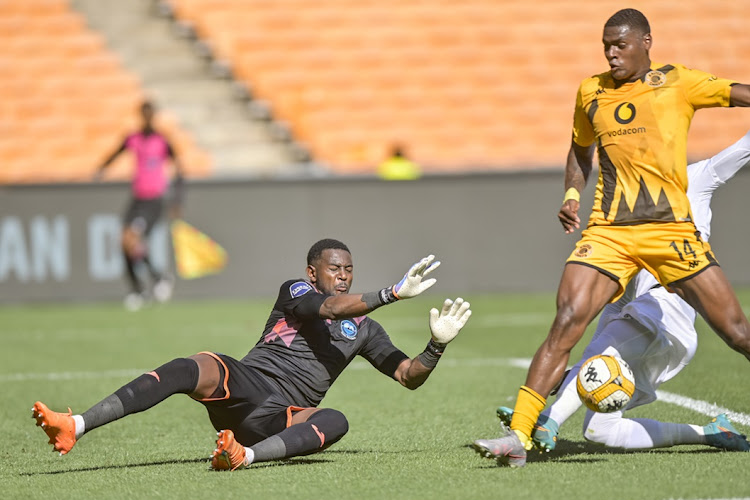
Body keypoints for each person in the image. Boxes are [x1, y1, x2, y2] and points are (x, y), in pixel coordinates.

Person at [472, 8, 750, 467]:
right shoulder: (591, 91)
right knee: (566, 319)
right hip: (609, 233)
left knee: (737, 332)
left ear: (646, 42)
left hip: (670, 231)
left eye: (620, 44)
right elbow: (580, 150)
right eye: (606, 45)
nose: (611, 52)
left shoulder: (678, 81)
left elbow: (738, 93)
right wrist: (571, 194)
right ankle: (521, 433)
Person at [32, 239, 472, 471]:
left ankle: (243, 456)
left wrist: (437, 345)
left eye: (348, 270)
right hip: (246, 386)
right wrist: (392, 292)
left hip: (279, 418)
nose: (342, 276)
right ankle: (77, 424)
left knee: (336, 420)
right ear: (312, 272)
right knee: (195, 364)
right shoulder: (296, 291)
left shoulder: (367, 330)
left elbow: (408, 375)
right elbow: (332, 307)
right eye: (334, 268)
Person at [483, 131, 750, 458]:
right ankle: (712, 433)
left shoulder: (696, 177)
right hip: (637, 313)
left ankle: (546, 421)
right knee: (600, 431)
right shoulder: (619, 199)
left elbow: (743, 148)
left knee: (606, 346)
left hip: (671, 305)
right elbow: (616, 294)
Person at [94, 100, 185, 311]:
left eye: (149, 115)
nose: (147, 119)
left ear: (153, 116)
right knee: (124, 242)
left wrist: (178, 199)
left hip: (153, 200)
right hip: (137, 198)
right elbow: (116, 153)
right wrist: (101, 169)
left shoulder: (162, 140)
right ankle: (146, 286)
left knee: (132, 240)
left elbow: (179, 168)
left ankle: (153, 281)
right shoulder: (133, 138)